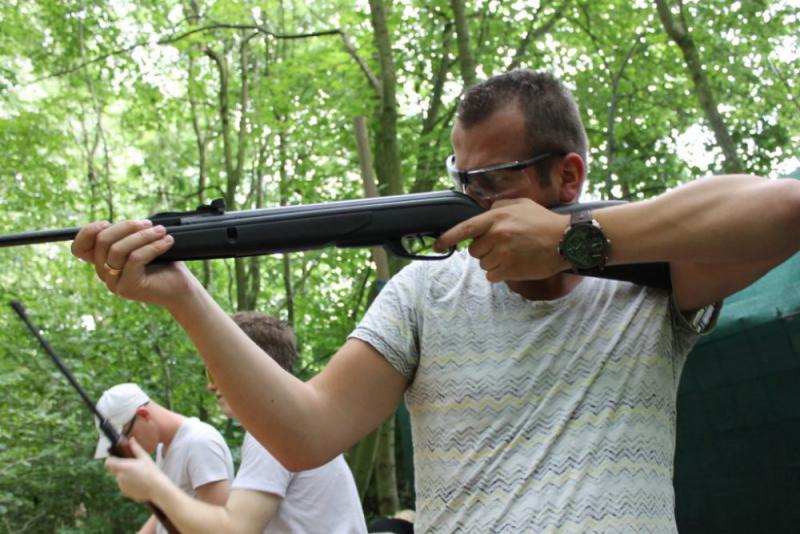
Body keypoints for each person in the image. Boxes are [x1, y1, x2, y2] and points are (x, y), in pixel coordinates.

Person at [72, 69, 800, 532]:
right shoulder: (424, 289)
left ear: (567, 177)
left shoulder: (648, 275)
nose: (469, 201)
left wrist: (578, 243)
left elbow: (784, 209)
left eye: (495, 181)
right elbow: (306, 432)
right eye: (463, 179)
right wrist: (186, 298)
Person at [104, 312, 367, 533]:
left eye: (218, 368)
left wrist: (153, 487)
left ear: (251, 366)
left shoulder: (273, 432)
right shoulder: (290, 425)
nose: (210, 385)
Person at [94, 382, 233, 534]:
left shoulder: (200, 441)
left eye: (125, 438)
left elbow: (220, 526)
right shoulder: (164, 448)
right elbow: (166, 511)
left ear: (143, 415)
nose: (127, 446)